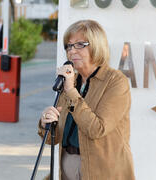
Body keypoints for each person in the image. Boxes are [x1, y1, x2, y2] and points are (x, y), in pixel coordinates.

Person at [38, 20, 135, 180]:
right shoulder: (71, 81)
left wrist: (71, 91)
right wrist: (46, 123)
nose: (72, 51)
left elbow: (97, 129)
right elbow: (54, 138)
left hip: (102, 171)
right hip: (66, 168)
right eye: (68, 46)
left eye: (80, 44)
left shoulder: (115, 81)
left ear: (97, 46)